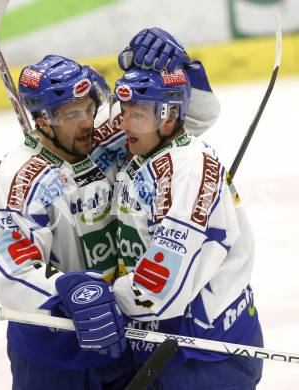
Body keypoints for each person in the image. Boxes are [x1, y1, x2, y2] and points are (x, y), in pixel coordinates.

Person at [0, 29, 221, 389]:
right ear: (43, 120)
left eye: (89, 108)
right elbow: (15, 272)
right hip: (55, 354)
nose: (87, 122)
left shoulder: (106, 139)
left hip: (123, 337)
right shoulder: (15, 180)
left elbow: (191, 122)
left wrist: (183, 70)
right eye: (72, 114)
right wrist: (66, 288)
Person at [110, 64, 264, 388]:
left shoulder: (188, 171)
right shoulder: (149, 155)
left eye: (136, 114)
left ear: (168, 117)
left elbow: (159, 292)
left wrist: (97, 297)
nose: (122, 123)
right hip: (169, 346)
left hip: (207, 355)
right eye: (122, 111)